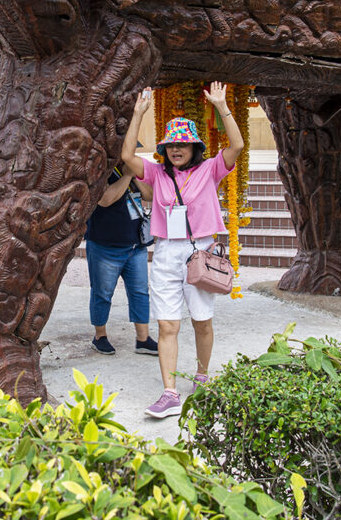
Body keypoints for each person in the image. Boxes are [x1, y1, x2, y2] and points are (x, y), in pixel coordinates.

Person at [121, 82, 245, 419]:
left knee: (202, 322)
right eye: (171, 144)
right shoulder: (157, 173)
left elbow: (237, 145)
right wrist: (138, 113)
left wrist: (221, 106)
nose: (176, 149)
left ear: (194, 147)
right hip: (165, 253)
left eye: (183, 144)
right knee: (167, 326)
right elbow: (127, 156)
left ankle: (202, 377)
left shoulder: (210, 170)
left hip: (199, 252)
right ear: (164, 148)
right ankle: (170, 392)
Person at [85, 161, 158, 356]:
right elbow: (105, 199)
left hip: (135, 246)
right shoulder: (99, 168)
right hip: (104, 246)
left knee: (140, 292)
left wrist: (133, 173)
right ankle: (100, 336)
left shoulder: (133, 166)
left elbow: (150, 195)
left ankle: (143, 339)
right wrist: (126, 175)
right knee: (102, 293)